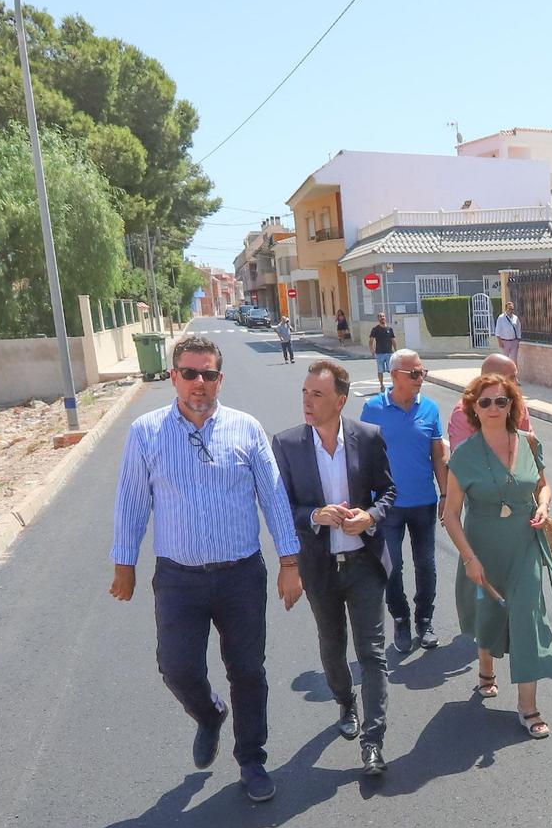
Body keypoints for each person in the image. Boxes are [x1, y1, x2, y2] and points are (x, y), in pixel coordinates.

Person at [108, 333, 301, 803]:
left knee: (247, 671)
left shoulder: (247, 429)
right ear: (173, 376)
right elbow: (132, 501)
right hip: (178, 578)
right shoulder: (147, 432)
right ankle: (210, 715)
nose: (199, 383)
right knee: (175, 667)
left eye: (208, 374)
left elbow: (273, 496)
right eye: (190, 373)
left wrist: (289, 561)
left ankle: (251, 758)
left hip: (240, 574)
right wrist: (124, 564)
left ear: (220, 379)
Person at [270, 359, 396, 777]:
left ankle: (374, 742)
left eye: (317, 394)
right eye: (305, 393)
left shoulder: (369, 437)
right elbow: (280, 507)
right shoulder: (286, 445)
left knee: (373, 653)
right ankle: (345, 700)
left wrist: (371, 517)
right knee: (331, 644)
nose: (307, 401)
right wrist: (314, 516)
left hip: (363, 562)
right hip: (319, 565)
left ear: (340, 400)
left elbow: (389, 490)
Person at [443, 372, 552, 740]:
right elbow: (450, 514)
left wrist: (543, 505)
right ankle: (485, 669)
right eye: (485, 401)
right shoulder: (463, 455)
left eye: (501, 400)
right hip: (482, 546)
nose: (494, 407)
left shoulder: (529, 441)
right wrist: (468, 558)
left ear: (512, 405)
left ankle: (528, 706)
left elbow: (544, 485)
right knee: (488, 611)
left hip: (525, 543)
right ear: (473, 408)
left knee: (527, 616)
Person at [361, 349, 448, 653]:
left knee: (426, 565)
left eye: (422, 372)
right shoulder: (373, 409)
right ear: (395, 375)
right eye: (414, 374)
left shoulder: (431, 409)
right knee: (392, 565)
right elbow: (362, 458)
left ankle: (425, 620)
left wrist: (446, 494)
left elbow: (438, 454)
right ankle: (400, 617)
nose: (420, 378)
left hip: (423, 502)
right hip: (387, 506)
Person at [446, 351, 534, 450]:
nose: (517, 382)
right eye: (512, 378)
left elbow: (528, 445)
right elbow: (461, 458)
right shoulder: (464, 411)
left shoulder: (518, 403)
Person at [368, 312, 396, 391]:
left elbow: (393, 340)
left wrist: (396, 350)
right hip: (379, 353)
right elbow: (371, 340)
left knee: (391, 370)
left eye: (383, 316)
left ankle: (394, 384)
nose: (382, 318)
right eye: (380, 316)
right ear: (378, 319)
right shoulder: (375, 329)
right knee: (380, 370)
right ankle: (382, 385)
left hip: (389, 352)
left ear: (385, 317)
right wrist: (372, 350)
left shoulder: (389, 329)